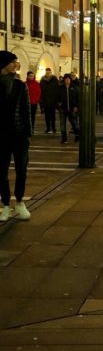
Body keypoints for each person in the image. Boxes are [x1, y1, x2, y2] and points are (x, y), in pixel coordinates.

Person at [0, 51, 32, 222]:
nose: (15, 65)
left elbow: (27, 112)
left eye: (16, 62)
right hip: (1, 136)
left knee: (21, 170)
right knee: (1, 172)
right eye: (12, 62)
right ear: (3, 65)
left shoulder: (20, 85)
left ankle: (19, 202)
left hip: (19, 136)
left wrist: (28, 134)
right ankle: (5, 205)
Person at [57, 73, 79, 144]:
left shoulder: (74, 87)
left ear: (70, 80)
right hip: (63, 109)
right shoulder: (60, 88)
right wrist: (59, 105)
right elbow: (57, 98)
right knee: (62, 124)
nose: (67, 80)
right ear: (64, 80)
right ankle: (64, 138)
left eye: (68, 79)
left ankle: (77, 135)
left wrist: (76, 106)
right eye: (66, 79)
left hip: (72, 109)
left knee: (74, 123)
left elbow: (78, 98)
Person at [40, 67, 59, 133]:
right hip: (45, 101)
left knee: (53, 116)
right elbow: (41, 91)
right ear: (45, 72)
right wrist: (41, 102)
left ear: (51, 72)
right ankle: (48, 128)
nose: (48, 73)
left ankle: (53, 128)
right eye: (47, 72)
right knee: (47, 116)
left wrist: (56, 101)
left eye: (49, 72)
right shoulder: (42, 80)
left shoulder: (55, 79)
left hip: (53, 101)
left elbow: (57, 90)